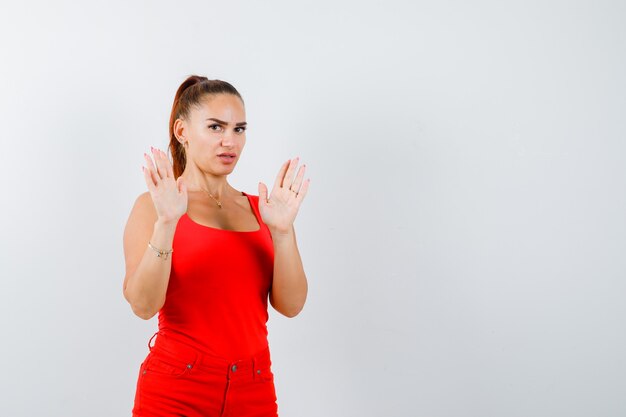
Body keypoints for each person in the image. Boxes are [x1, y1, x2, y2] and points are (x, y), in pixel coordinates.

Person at [122, 75, 310, 417]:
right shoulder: (154, 206)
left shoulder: (263, 210)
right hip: (176, 388)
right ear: (182, 132)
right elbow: (143, 305)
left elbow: (292, 305)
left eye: (239, 129)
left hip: (254, 388)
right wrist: (166, 223)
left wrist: (282, 232)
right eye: (215, 127)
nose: (230, 141)